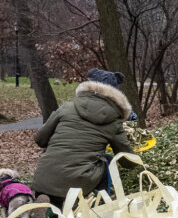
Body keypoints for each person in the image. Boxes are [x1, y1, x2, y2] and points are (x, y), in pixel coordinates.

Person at [31, 69, 134, 210]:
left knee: (56, 215)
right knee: (108, 161)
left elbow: (40, 139)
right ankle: (101, 205)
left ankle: (48, 204)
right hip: (78, 181)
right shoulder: (113, 120)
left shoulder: (66, 107)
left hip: (44, 178)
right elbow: (127, 160)